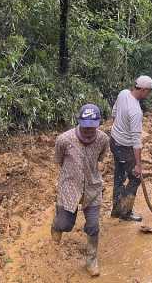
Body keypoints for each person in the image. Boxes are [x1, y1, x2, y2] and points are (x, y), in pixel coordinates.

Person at [51, 104, 109, 277]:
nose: (89, 131)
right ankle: (56, 224)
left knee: (93, 226)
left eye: (92, 127)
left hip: (92, 188)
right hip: (69, 187)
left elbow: (100, 159)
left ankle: (91, 260)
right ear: (79, 122)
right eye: (85, 126)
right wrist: (72, 175)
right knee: (65, 225)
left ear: (98, 124)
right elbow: (59, 160)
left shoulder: (103, 139)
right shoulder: (64, 139)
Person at [110, 75, 152, 222]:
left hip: (114, 141)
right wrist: (138, 165)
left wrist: (119, 128)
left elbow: (114, 113)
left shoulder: (123, 93)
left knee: (119, 174)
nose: (148, 94)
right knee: (135, 178)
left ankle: (116, 209)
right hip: (124, 147)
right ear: (142, 90)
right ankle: (125, 212)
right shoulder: (136, 111)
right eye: (148, 91)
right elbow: (136, 142)